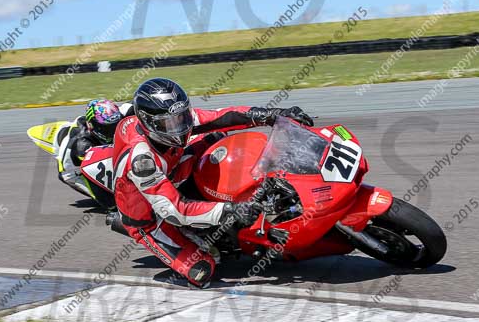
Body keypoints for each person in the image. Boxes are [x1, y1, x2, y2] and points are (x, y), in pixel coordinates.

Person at [112, 77, 314, 288]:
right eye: (170, 123)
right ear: (149, 123)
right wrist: (231, 210)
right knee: (202, 270)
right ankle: (207, 233)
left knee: (217, 133)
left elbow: (223, 116)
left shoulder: (172, 121)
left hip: (172, 170)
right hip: (151, 217)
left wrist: (272, 115)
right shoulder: (141, 161)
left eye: (181, 118)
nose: (180, 127)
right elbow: (176, 210)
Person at [57, 99, 132, 205]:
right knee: (111, 197)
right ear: (92, 125)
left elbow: (134, 103)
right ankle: (112, 208)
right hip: (70, 173)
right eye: (108, 128)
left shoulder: (120, 113)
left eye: (116, 124)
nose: (114, 131)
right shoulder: (82, 146)